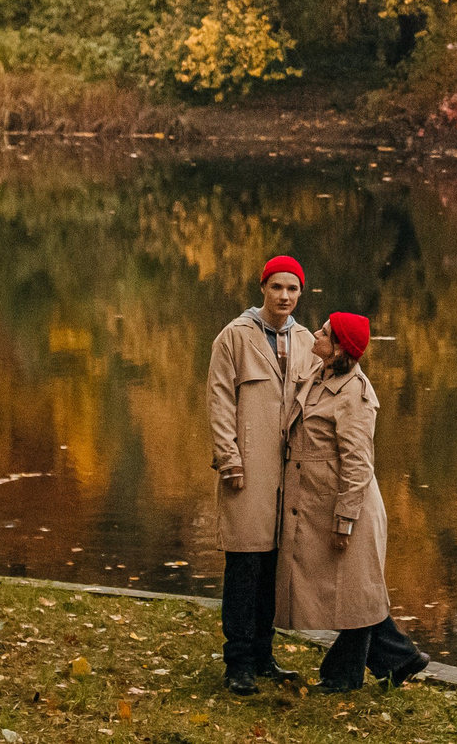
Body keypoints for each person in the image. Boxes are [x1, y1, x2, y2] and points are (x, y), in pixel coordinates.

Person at [277, 311, 429, 692]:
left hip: (348, 505)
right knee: (354, 592)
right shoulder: (320, 373)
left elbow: (359, 464)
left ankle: (344, 677)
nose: (316, 332)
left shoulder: (355, 394)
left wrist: (345, 519)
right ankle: (399, 659)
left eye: (325, 332)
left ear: (340, 347)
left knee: (354, 595)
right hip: (317, 503)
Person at [207, 254, 318, 693]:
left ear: (300, 294)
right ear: (263, 289)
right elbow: (218, 401)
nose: (285, 296)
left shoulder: (309, 341)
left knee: (275, 568)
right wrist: (228, 457)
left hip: (291, 477)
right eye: (277, 287)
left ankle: (263, 655)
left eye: (292, 289)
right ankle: (237, 663)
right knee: (244, 565)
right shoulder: (234, 337)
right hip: (247, 471)